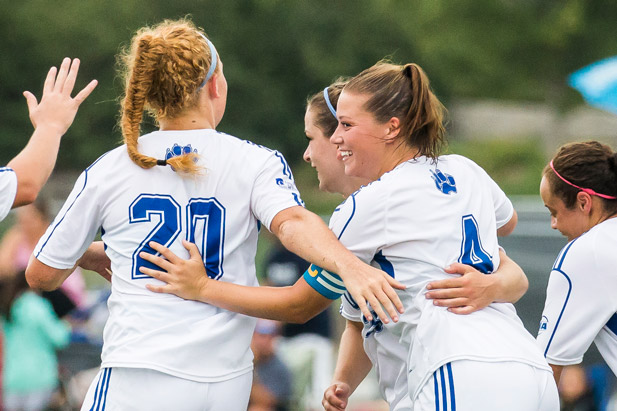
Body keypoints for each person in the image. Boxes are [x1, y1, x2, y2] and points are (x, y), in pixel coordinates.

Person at [24, 19, 403, 411]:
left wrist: (90, 252)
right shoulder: (255, 161)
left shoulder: (111, 167)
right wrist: (349, 265)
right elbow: (291, 224)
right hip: (225, 384)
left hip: (139, 375)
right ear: (215, 85)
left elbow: (41, 273)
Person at [140, 77, 535, 410]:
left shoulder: (368, 205)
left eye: (342, 127)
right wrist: (507, 279)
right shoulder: (464, 169)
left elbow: (298, 304)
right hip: (523, 363)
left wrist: (203, 287)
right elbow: (506, 225)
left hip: (458, 370)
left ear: (391, 127)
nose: (329, 142)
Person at [536, 141, 617, 385]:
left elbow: (545, 370)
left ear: (584, 202)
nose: (554, 224)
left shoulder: (587, 251)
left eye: (554, 211)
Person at [0, 199, 87, 317]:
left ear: (42, 219)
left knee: (29, 279)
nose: (26, 224)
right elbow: (3, 270)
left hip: (59, 293)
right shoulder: (18, 239)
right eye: (22, 220)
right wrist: (13, 236)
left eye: (30, 219)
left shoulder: (52, 239)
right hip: (31, 299)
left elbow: (49, 276)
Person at [1, 270, 71, 411]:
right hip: (39, 377)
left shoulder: (8, 306)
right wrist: (66, 325)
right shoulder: (38, 306)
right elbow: (59, 338)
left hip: (13, 379)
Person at [249, 319, 293, 411]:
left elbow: (266, 401)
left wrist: (251, 366)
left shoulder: (280, 367)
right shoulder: (243, 360)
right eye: (262, 336)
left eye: (271, 336)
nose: (266, 341)